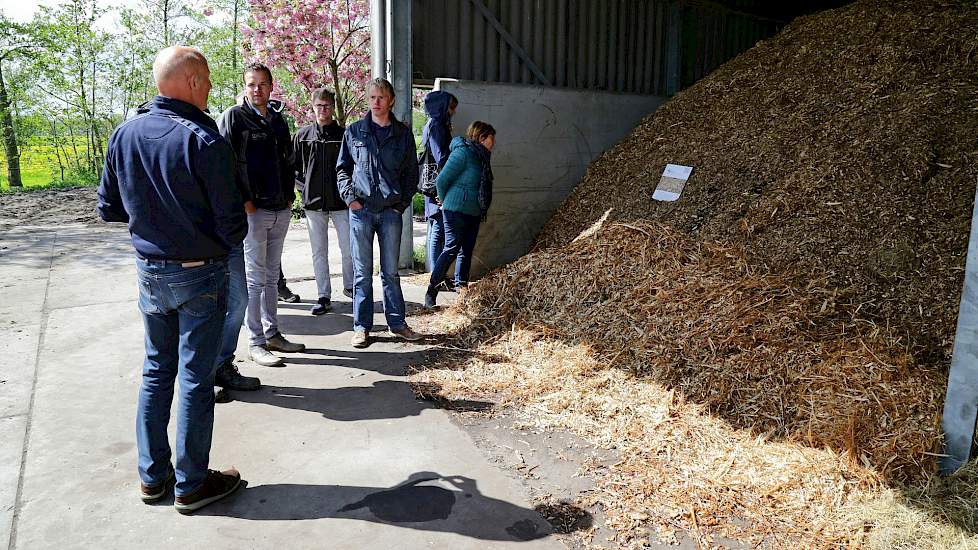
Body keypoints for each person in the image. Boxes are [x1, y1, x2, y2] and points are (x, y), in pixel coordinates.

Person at [97, 46, 244, 513]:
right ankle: (191, 484)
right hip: (199, 274)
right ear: (195, 82)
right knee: (196, 379)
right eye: (208, 82)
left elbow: (109, 208)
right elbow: (233, 225)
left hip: (150, 273)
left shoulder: (125, 133)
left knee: (157, 372)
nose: (210, 91)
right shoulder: (204, 141)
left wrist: (154, 222)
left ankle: (152, 477)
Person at [218, 62, 305, 367]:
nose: (257, 90)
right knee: (254, 280)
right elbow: (224, 164)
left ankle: (273, 334)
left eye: (262, 84)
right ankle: (255, 343)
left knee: (271, 277)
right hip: (254, 212)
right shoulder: (234, 118)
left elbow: (288, 161)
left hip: (281, 208)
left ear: (271, 86)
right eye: (251, 84)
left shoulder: (278, 121)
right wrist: (245, 202)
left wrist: (289, 198)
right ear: (245, 87)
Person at [336, 77, 422, 348]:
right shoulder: (355, 132)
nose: (376, 102)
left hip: (389, 212)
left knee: (390, 272)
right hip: (361, 211)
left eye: (381, 97)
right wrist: (350, 199)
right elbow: (342, 169)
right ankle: (361, 327)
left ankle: (397, 324)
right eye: (372, 97)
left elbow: (412, 173)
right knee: (361, 272)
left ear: (391, 100)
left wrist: (401, 205)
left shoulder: (402, 134)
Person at [293, 87, 354, 315]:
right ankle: (323, 295)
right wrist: (304, 190)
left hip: (341, 203)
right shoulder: (303, 135)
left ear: (333, 107)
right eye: (319, 105)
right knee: (319, 252)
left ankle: (351, 288)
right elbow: (294, 168)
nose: (323, 110)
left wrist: (349, 193)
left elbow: (352, 167)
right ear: (312, 107)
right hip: (313, 205)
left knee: (348, 248)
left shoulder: (344, 135)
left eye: (327, 105)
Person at [424, 121, 496, 309]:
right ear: (482, 137)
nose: (493, 143)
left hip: (473, 211)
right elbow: (442, 180)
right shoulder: (463, 153)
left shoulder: (481, 157)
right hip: (455, 210)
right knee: (451, 249)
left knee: (467, 251)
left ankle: (461, 291)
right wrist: (443, 200)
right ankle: (431, 291)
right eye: (491, 139)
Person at [418, 91, 458, 278]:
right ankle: (436, 276)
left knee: (437, 227)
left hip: (435, 182)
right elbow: (441, 157)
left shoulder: (436, 124)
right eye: (451, 107)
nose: (453, 112)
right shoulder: (436, 126)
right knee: (439, 228)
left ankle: (437, 275)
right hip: (438, 183)